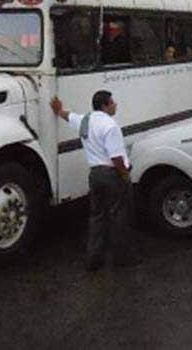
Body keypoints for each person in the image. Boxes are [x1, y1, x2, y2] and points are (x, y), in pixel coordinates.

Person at [51, 91, 138, 271]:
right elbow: (116, 158)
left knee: (97, 217)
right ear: (105, 106)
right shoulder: (110, 126)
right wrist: (125, 175)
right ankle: (122, 258)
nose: (116, 105)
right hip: (112, 174)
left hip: (95, 175)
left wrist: (58, 110)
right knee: (118, 216)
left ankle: (93, 259)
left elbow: (68, 116)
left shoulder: (86, 120)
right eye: (113, 102)